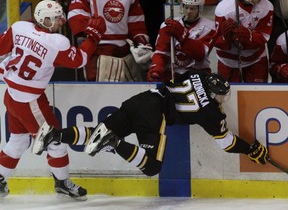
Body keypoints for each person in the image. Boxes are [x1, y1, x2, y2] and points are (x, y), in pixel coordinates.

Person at [32, 71, 269, 177]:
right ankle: (113, 142)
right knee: (152, 167)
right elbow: (226, 143)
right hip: (155, 114)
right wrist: (249, 149)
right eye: (221, 96)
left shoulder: (198, 74)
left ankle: (54, 134)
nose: (221, 101)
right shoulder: (211, 114)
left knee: (97, 132)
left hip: (142, 98)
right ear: (214, 92)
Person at [0, 0, 106, 199]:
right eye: (57, 18)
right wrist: (93, 37)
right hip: (30, 101)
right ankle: (62, 182)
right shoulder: (56, 43)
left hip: (12, 96)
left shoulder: (19, 27)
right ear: (46, 20)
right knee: (56, 142)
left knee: (18, 141)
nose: (62, 21)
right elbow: (80, 60)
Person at [68, 0, 153, 82]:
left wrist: (141, 42)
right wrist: (87, 38)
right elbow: (77, 13)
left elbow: (135, 20)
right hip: (97, 49)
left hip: (124, 50)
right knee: (99, 90)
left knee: (129, 89)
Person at [147, 0, 216, 82]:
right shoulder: (169, 25)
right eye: (186, 7)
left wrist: (183, 38)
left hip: (197, 75)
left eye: (192, 8)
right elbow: (161, 52)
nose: (188, 11)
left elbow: (201, 55)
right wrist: (157, 68)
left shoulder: (210, 27)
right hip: (172, 73)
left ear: (200, 9)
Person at [214, 0, 274, 83]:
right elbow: (216, 41)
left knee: (258, 94)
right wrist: (225, 37)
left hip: (256, 58)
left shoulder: (267, 6)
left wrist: (250, 36)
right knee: (228, 95)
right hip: (228, 61)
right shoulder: (224, 9)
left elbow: (263, 36)